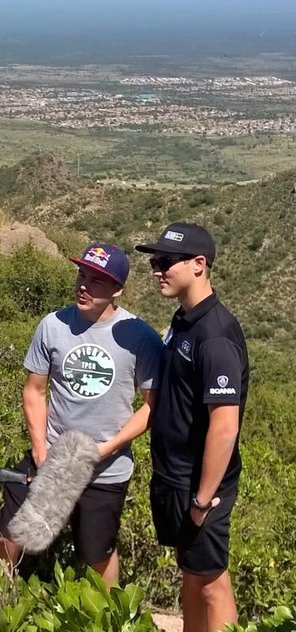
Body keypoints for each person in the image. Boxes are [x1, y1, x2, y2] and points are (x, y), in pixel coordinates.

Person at [0, 243, 163, 587]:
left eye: (98, 280)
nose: (84, 285)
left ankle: (110, 616)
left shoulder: (140, 337)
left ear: (117, 289)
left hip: (106, 470)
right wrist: (41, 451)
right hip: (52, 458)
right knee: (12, 535)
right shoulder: (53, 325)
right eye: (82, 275)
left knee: (97, 552)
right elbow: (34, 391)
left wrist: (106, 449)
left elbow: (151, 406)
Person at [136, 222, 248, 632]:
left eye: (166, 261)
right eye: (155, 261)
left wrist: (202, 500)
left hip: (203, 487)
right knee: (191, 570)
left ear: (199, 265)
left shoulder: (215, 336)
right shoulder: (184, 321)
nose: (157, 270)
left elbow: (224, 426)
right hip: (176, 477)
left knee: (211, 581)